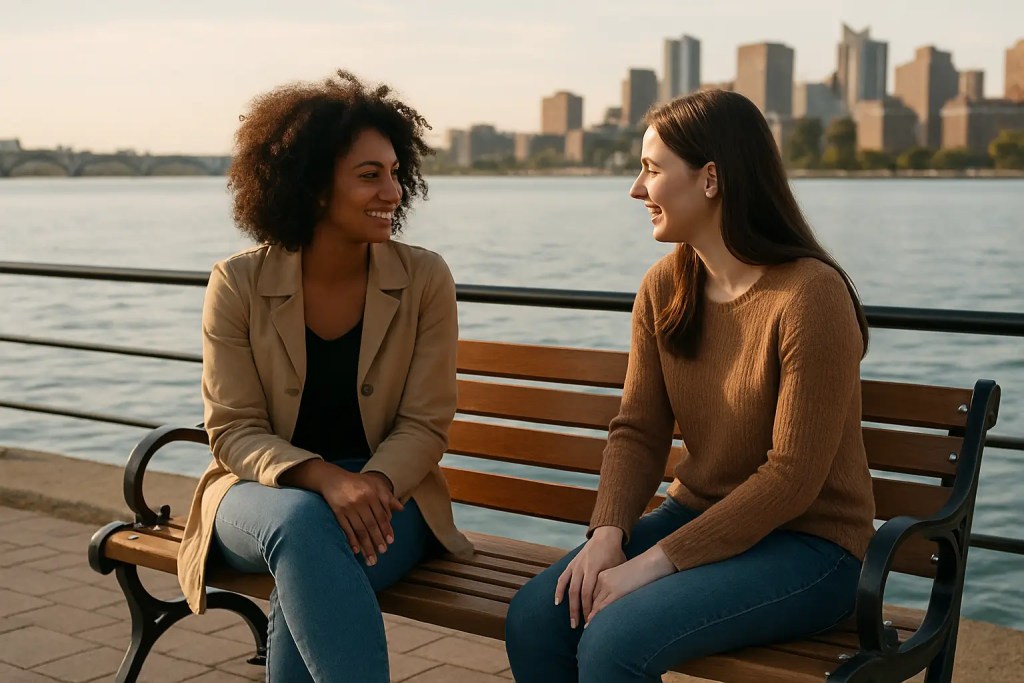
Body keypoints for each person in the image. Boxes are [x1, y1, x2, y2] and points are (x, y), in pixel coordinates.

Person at [505, 89, 876, 682]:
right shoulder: (664, 288)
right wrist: (608, 534)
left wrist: (654, 564)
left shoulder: (811, 294)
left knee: (613, 641)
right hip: (694, 518)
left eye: (651, 169)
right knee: (535, 618)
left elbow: (792, 478)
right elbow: (638, 430)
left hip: (810, 549)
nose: (634, 189)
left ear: (710, 179)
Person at [176, 70, 473, 682]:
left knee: (309, 566)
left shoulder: (424, 279)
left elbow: (425, 422)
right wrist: (325, 479)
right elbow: (232, 431)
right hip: (259, 495)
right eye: (370, 175)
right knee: (304, 527)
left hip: (392, 497)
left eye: (396, 173)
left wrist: (372, 483)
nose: (393, 191)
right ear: (311, 186)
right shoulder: (238, 284)